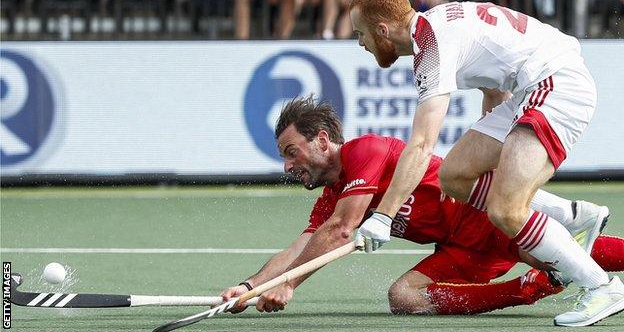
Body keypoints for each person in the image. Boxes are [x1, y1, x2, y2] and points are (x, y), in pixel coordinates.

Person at [348, 0, 624, 326]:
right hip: (529, 88)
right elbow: (493, 86)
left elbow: (421, 145)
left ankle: (602, 286)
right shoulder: (437, 24)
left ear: (383, 30)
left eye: (361, 34)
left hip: (555, 85)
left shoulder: (431, 50)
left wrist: (384, 215)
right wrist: (488, 146)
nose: (360, 43)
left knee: (506, 211)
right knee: (456, 174)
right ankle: (574, 216)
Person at [220, 96, 624, 316]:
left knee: (582, 254)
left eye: (292, 152)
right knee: (405, 298)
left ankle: (561, 271)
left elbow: (341, 231)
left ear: (322, 140)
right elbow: (300, 247)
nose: (288, 166)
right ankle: (526, 289)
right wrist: (253, 285)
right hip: (456, 248)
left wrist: (287, 284)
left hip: (487, 220)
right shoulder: (331, 199)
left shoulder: (366, 151)